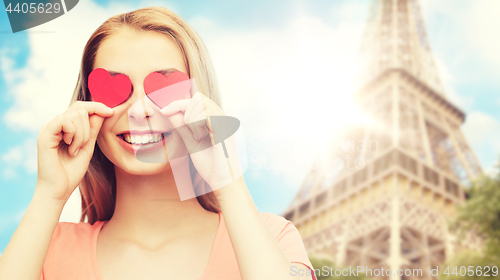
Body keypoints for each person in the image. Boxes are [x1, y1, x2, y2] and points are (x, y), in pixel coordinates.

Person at [0, 7, 316, 280]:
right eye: (116, 88)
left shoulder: (273, 238)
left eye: (164, 87)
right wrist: (49, 194)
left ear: (200, 100)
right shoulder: (46, 250)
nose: (139, 111)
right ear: (87, 107)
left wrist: (229, 182)